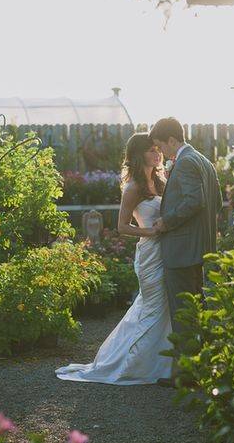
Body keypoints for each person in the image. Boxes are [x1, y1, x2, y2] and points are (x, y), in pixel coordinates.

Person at [55, 133, 173, 385]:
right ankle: (132, 364)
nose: (157, 153)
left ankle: (164, 363)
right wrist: (151, 231)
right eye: (151, 150)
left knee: (165, 307)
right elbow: (123, 226)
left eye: (157, 149)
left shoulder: (162, 181)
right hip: (150, 252)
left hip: (169, 251)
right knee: (151, 308)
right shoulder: (133, 187)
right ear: (138, 154)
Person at [150, 117, 223, 387]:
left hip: (182, 249)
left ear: (172, 140)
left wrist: (167, 222)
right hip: (198, 246)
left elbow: (196, 200)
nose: (162, 154)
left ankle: (186, 375)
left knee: (183, 310)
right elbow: (216, 203)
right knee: (195, 307)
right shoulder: (204, 161)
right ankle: (202, 367)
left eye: (162, 146)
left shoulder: (186, 162)